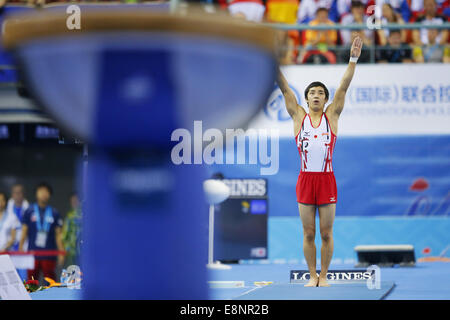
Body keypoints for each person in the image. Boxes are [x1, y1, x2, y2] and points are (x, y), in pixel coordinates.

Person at [277, 36, 363, 287]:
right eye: (312, 93)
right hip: (305, 179)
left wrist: (353, 59)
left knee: (326, 233)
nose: (316, 96)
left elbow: (344, 87)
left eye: (321, 93)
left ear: (326, 100)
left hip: (326, 179)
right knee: (309, 233)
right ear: (305, 100)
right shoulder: (298, 117)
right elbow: (284, 88)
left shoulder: (332, 116)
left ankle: (324, 276)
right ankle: (312, 275)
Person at [19, 182, 64, 283]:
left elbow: (58, 235)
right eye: (41, 191)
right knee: (31, 282)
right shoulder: (29, 211)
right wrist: (21, 248)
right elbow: (24, 232)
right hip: (32, 254)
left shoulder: (54, 212)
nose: (44, 193)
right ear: (36, 193)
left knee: (50, 282)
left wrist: (61, 252)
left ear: (50, 194)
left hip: (49, 254)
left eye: (46, 191)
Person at [62, 193, 82, 267]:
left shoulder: (87, 215)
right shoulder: (69, 216)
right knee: (72, 271)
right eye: (73, 202)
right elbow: (64, 235)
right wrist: (67, 247)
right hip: (72, 251)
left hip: (84, 250)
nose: (75, 203)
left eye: (76, 201)